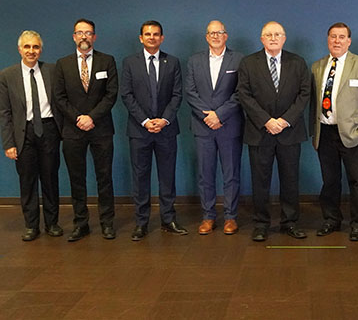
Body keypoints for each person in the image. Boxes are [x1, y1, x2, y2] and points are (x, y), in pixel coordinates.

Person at [237, 21, 310, 242]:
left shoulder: (297, 62)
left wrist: (285, 120)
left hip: (290, 132)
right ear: (261, 39)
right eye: (268, 35)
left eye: (277, 34)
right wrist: (266, 120)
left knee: (290, 180)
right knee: (260, 181)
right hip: (260, 133)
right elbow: (244, 94)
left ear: (284, 38)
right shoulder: (248, 63)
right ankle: (261, 224)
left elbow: (305, 94)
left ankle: (290, 222)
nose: (273, 38)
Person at [310, 22, 358, 242]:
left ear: (349, 41)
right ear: (327, 40)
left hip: (353, 133)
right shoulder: (317, 66)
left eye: (341, 37)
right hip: (326, 132)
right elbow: (313, 102)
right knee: (330, 180)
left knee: (356, 181)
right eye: (333, 37)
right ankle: (331, 219)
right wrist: (315, 132)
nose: (337, 41)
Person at [121, 20, 187, 241]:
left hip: (166, 130)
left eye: (156, 34)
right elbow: (127, 95)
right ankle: (141, 222)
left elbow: (177, 95)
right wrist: (145, 121)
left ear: (162, 38)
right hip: (139, 131)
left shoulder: (173, 62)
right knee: (140, 178)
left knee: (167, 177)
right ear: (141, 38)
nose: (152, 37)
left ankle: (168, 219)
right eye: (147, 34)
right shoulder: (130, 62)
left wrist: (164, 119)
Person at [54, 18, 118, 242]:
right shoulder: (62, 64)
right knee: (77, 179)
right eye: (79, 33)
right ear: (74, 37)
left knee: (104, 177)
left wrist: (92, 117)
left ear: (95, 37)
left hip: (101, 129)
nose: (84, 36)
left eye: (88, 33)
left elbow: (111, 95)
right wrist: (78, 118)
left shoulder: (107, 61)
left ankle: (107, 223)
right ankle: (81, 224)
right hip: (73, 130)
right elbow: (59, 98)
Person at [0, 30, 62, 241]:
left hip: (49, 130)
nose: (31, 51)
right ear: (19, 49)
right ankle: (31, 225)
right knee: (27, 181)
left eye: (35, 47)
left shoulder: (53, 71)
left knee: (50, 179)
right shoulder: (7, 76)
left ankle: (52, 223)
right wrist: (9, 143)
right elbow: (4, 112)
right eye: (27, 47)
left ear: (40, 50)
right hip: (23, 133)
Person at [185, 20, 244, 235]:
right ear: (206, 36)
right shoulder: (194, 61)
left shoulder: (238, 59)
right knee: (205, 174)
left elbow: (240, 92)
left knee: (231, 174)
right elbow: (190, 93)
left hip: (229, 125)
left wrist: (219, 114)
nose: (215, 36)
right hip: (203, 127)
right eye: (211, 33)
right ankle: (208, 216)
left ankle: (231, 216)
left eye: (219, 32)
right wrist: (208, 116)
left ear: (226, 36)